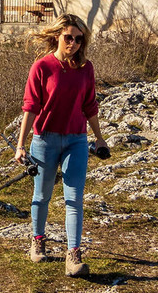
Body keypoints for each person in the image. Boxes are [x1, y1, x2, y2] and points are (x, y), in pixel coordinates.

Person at [13, 15, 109, 277]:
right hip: (45, 139)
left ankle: (74, 255)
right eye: (69, 38)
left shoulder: (86, 68)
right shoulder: (42, 67)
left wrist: (99, 138)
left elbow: (90, 105)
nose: (74, 43)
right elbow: (30, 107)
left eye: (79, 39)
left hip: (76, 139)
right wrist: (21, 145)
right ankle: (37, 240)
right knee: (42, 195)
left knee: (74, 198)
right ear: (57, 36)